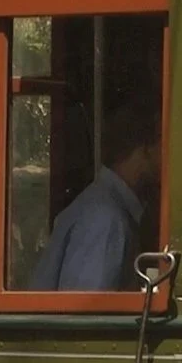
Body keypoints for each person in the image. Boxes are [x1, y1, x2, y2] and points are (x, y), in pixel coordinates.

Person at [30, 101, 161, 292]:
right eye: (163, 146)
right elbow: (86, 314)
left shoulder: (105, 209)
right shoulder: (105, 220)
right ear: (145, 149)